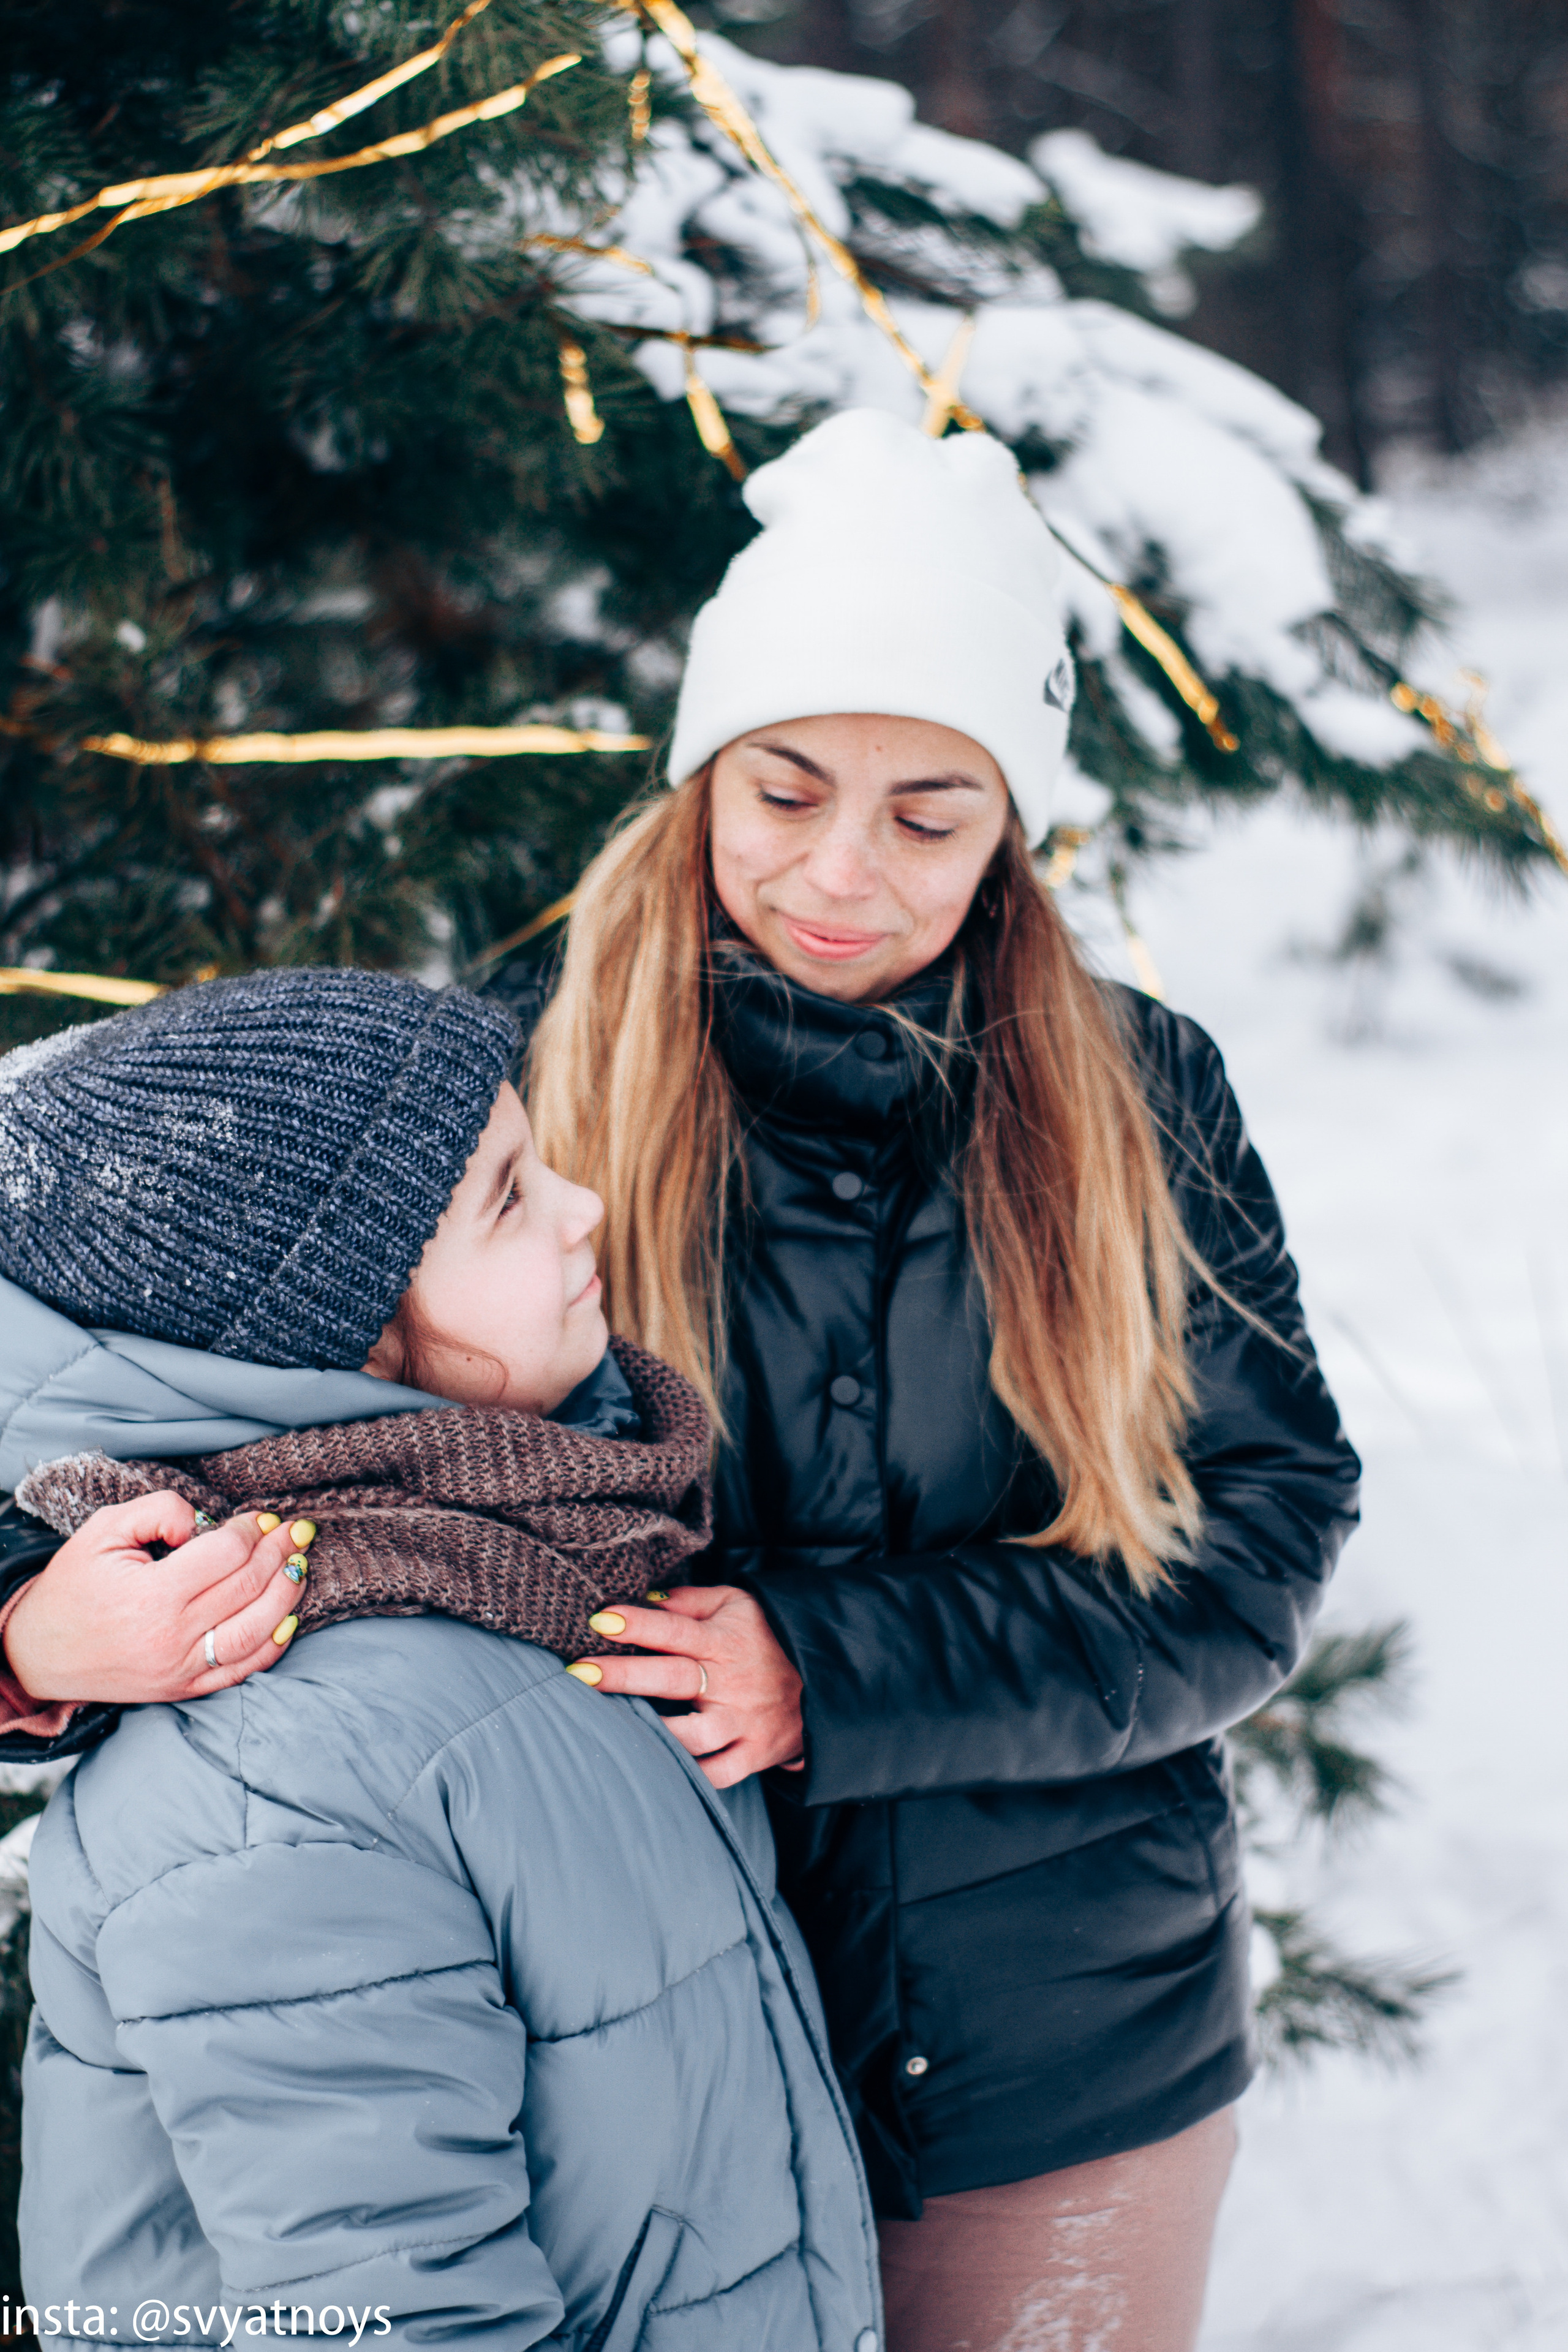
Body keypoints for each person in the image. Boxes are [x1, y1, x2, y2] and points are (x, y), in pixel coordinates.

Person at [502, 410, 1363, 2352]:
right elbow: (229, 1433)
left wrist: (837, 1670)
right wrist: (41, 1616)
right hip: (636, 2046)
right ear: (703, 771)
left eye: (929, 814)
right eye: (786, 791)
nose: (842, 875)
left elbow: (1260, 1539)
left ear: (1012, 831)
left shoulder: (1143, 1098)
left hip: (1063, 2065)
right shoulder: (513, 1095)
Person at [0, 968, 880, 2349]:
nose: (586, 1207)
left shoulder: (538, 1549)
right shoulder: (279, 1775)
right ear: (344, 1345)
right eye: (512, 1198)